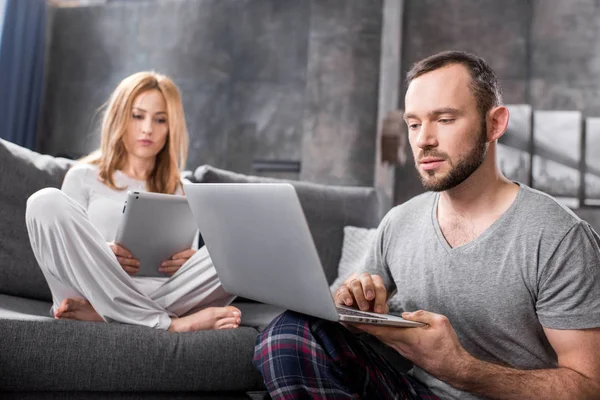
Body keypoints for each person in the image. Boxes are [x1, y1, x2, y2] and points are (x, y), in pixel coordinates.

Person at [252, 51, 600, 399]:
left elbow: (589, 386)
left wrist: (461, 369)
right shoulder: (400, 222)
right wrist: (353, 302)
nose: (423, 140)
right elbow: (353, 315)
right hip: (416, 393)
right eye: (414, 124)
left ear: (495, 123)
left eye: (444, 119)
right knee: (288, 333)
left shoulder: (559, 237)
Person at [26, 71, 241, 333]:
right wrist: (101, 251)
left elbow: (190, 264)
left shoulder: (183, 189)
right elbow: (66, 249)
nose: (147, 129)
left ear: (171, 128)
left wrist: (189, 261)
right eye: (137, 116)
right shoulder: (82, 176)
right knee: (44, 201)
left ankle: (107, 314)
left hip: (156, 290)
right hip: (89, 289)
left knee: (238, 244)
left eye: (160, 120)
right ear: (120, 117)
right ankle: (168, 324)